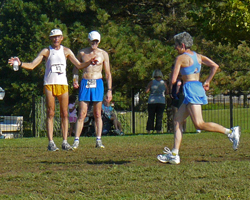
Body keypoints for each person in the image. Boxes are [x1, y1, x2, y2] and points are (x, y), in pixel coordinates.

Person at [157, 32, 240, 164]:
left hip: (190, 89)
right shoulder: (198, 56)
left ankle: (230, 132)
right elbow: (215, 66)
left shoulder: (180, 58)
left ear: (183, 45)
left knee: (199, 124)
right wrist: (207, 81)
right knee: (177, 120)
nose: (175, 48)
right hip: (196, 87)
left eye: (176, 46)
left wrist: (175, 76)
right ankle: (174, 154)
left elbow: (173, 80)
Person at [8, 29, 95, 151]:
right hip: (49, 84)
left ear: (62, 38)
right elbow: (33, 65)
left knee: (65, 113)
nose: (56, 39)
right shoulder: (47, 51)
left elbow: (79, 65)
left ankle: (65, 141)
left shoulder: (66, 51)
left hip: (63, 84)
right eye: (53, 37)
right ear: (50, 39)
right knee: (50, 112)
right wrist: (21, 63)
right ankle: (51, 142)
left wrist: (90, 62)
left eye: (58, 37)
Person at [72, 31, 112, 149]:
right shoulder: (82, 53)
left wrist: (109, 90)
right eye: (92, 41)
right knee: (82, 113)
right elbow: (76, 68)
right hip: (85, 82)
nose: (94, 43)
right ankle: (76, 140)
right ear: (89, 41)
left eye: (96, 41)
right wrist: (75, 80)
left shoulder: (103, 54)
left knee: (98, 113)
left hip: (98, 82)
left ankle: (98, 139)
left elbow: (108, 73)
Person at [145, 69, 168, 134]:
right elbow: (167, 91)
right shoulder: (164, 83)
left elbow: (146, 91)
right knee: (159, 116)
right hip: (161, 101)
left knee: (151, 116)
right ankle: (158, 130)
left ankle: (149, 130)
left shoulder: (152, 82)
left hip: (152, 101)